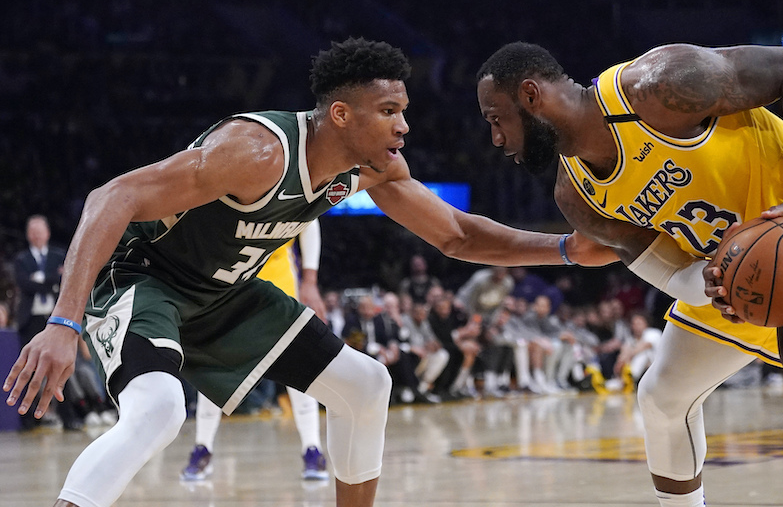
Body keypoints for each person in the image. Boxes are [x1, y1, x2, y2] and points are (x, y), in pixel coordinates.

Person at [5, 38, 612, 507]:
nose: (404, 126)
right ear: (341, 114)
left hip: (227, 295)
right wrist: (63, 321)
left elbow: (456, 234)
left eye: (404, 110)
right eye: (389, 111)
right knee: (160, 410)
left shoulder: (369, 169)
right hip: (147, 280)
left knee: (367, 386)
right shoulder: (257, 151)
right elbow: (111, 197)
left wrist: (565, 249)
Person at [476, 41, 783, 507]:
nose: (496, 139)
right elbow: (661, 265)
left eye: (496, 119)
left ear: (530, 95)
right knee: (662, 397)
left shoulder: (654, 88)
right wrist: (708, 282)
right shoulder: (576, 198)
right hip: (741, 270)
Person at [181, 219, 331, 482]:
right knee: (212, 368)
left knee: (298, 368)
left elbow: (310, 222)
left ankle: (313, 449)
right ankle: (202, 448)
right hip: (230, 284)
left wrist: (310, 279)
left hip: (280, 282)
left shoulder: (291, 195)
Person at [13, 215, 70, 430]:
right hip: (31, 320)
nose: (37, 236)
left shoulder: (59, 255)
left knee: (61, 367)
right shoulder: (21, 259)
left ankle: (69, 416)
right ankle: (29, 419)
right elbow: (24, 284)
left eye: (40, 231)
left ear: (47, 233)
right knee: (28, 366)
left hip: (55, 319)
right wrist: (51, 281)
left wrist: (40, 279)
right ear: (28, 235)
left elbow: (64, 279)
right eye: (33, 232)